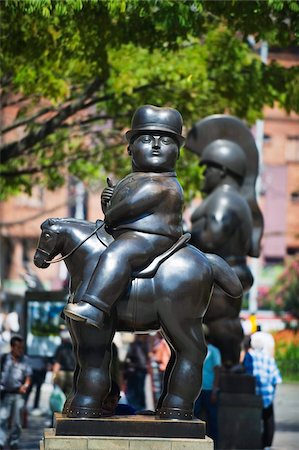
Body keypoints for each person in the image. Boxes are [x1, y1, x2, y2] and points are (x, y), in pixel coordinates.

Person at [64, 105, 185, 329]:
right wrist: (108, 199)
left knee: (115, 255)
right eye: (147, 139)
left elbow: (126, 209)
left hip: (151, 238)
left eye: (166, 141)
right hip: (129, 233)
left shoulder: (163, 183)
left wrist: (111, 210)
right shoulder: (134, 179)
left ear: (178, 151)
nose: (157, 145)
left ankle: (94, 305)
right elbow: (117, 209)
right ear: (130, 148)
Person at [186, 115, 264, 366]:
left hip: (222, 278)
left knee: (220, 326)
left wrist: (183, 233)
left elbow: (211, 236)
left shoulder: (225, 199)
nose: (204, 174)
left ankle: (230, 368)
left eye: (207, 168)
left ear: (223, 170)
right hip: (218, 275)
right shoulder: (227, 197)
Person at [243, 334, 282, 448]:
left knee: (254, 422)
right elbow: (276, 379)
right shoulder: (269, 359)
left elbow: (247, 374)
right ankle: (267, 446)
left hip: (254, 395)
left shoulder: (249, 356)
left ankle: (254, 444)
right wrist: (272, 393)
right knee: (269, 422)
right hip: (267, 396)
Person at [0, 335, 32, 450]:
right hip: (5, 393)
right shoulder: (4, 358)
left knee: (17, 421)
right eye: (18, 347)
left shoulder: (25, 360)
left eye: (22, 348)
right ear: (12, 347)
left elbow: (28, 376)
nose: (20, 350)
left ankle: (14, 440)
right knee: (2, 418)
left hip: (18, 394)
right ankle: (1, 441)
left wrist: (26, 386)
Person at [194, 328, 221, 447]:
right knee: (196, 417)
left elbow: (217, 371)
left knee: (212, 419)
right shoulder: (197, 350)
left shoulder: (214, 351)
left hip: (209, 390)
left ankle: (215, 445)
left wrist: (215, 390)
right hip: (197, 390)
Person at [123, 335, 149, 411]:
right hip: (137, 371)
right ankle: (138, 408)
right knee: (137, 391)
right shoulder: (140, 345)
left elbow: (128, 358)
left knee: (136, 391)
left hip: (137, 371)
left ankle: (136, 408)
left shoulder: (139, 345)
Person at [52, 327, 75, 397]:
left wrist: (54, 376)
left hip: (61, 374)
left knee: (60, 395)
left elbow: (57, 363)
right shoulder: (75, 348)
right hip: (73, 374)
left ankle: (62, 407)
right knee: (70, 395)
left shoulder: (61, 348)